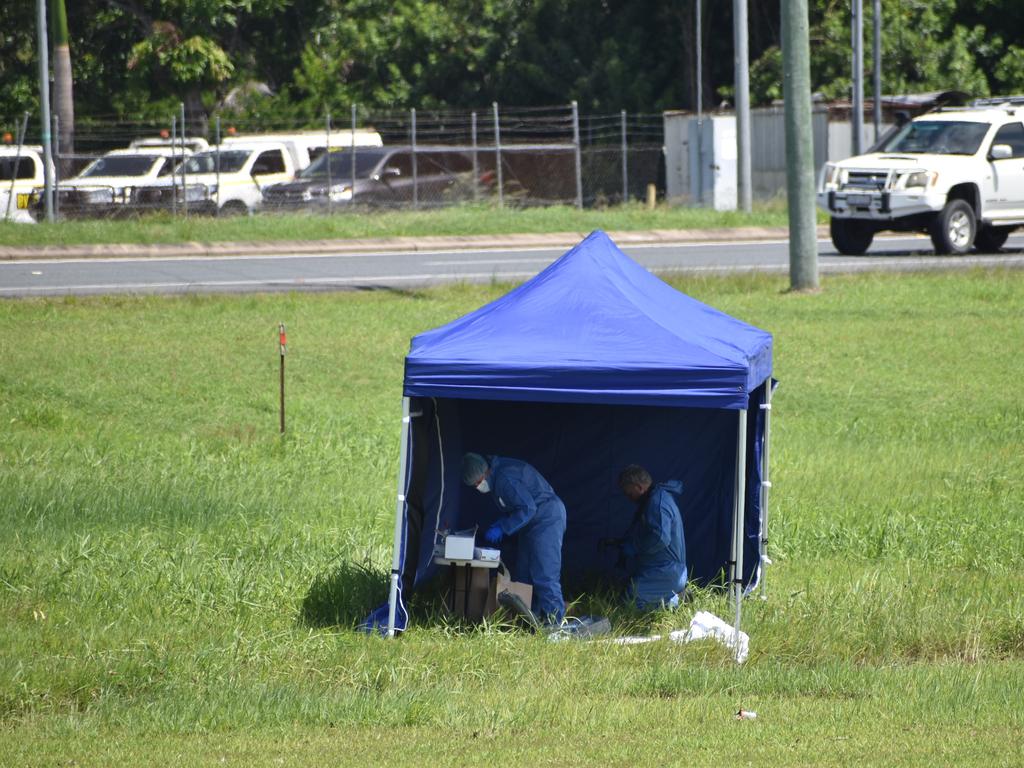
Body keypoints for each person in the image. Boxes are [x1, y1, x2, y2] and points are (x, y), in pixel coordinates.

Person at [462, 452, 567, 625]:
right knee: (524, 573)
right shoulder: (497, 477)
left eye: (478, 482)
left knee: (544, 574)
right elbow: (519, 507)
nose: (478, 487)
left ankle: (556, 625)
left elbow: (528, 509)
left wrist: (503, 527)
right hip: (531, 523)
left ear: (485, 473)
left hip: (547, 519)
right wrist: (503, 521)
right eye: (474, 485)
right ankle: (531, 621)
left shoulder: (505, 479)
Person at [618, 464, 687, 610]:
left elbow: (661, 538)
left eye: (629, 493)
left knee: (630, 598)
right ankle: (675, 600)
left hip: (667, 572)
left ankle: (676, 602)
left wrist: (635, 547)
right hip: (662, 570)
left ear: (638, 487)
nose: (629, 498)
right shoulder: (656, 498)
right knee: (625, 588)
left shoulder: (657, 503)